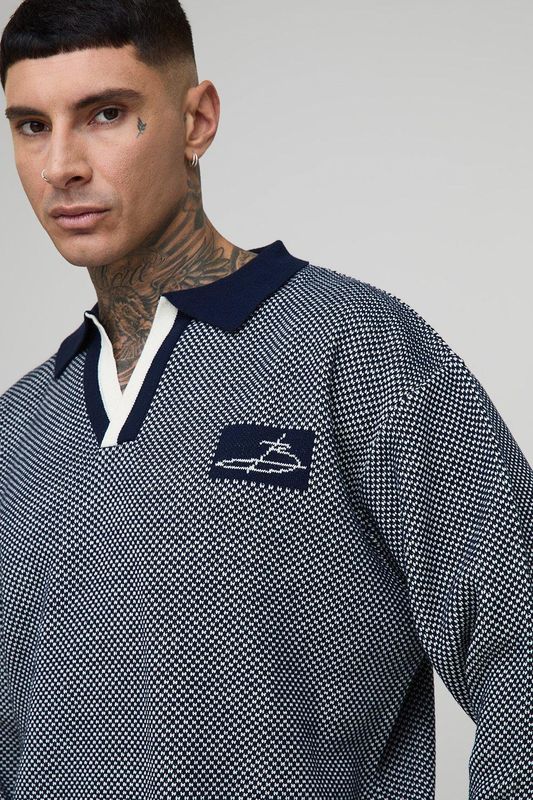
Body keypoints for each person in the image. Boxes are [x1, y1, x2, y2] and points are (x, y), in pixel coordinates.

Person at [0, 1, 530, 798]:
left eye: (105, 114)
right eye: (32, 126)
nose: (61, 165)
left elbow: (520, 644)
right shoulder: (18, 427)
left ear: (196, 120)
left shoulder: (355, 349)